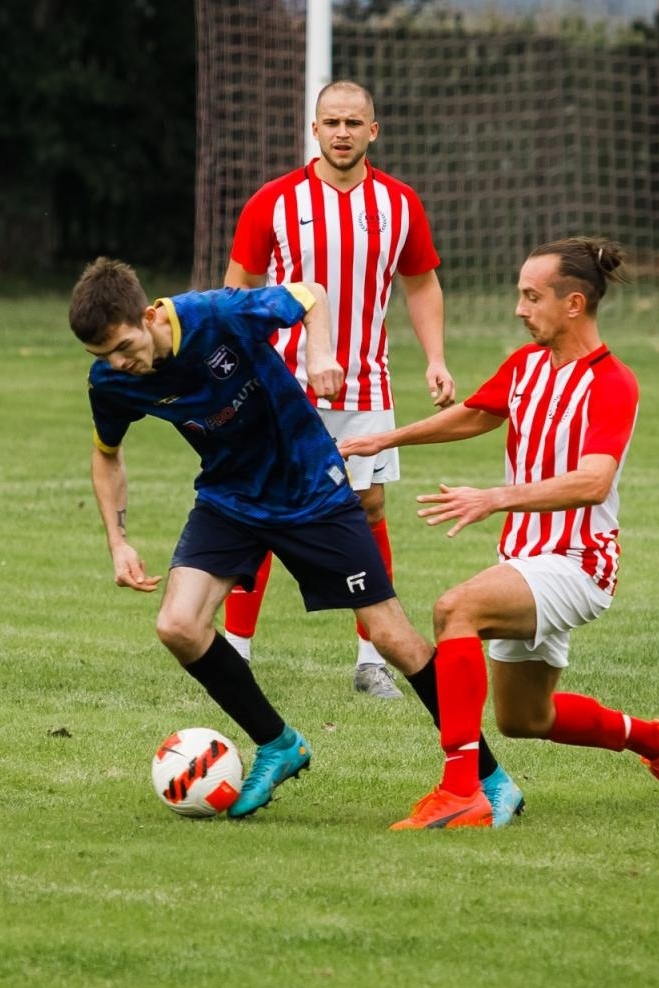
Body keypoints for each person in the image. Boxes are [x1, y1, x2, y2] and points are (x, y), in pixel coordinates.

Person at [71, 257, 520, 822]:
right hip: (230, 499)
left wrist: (321, 351)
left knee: (393, 638)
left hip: (311, 488)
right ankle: (279, 743)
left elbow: (308, 294)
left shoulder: (216, 314)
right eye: (102, 357)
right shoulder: (112, 381)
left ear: (146, 315)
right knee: (178, 626)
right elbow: (106, 455)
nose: (117, 364)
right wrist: (118, 541)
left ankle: (490, 777)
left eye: (122, 346)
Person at [338, 237, 659, 829]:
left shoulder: (612, 383)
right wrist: (389, 438)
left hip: (578, 562)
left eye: (532, 297)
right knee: (524, 718)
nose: (519, 309)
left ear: (574, 304)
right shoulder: (527, 364)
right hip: (526, 560)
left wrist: (495, 498)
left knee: (456, 610)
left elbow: (592, 483)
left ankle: (462, 792)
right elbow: (479, 412)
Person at [220, 80, 454, 701]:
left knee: (368, 510)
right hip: (280, 385)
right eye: (332, 122)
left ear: (373, 131)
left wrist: (435, 358)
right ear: (314, 129)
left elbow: (422, 284)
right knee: (259, 509)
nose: (343, 132)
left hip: (366, 385)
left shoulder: (401, 204)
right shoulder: (273, 202)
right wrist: (240, 366)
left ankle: (371, 660)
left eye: (354, 122)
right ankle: (236, 652)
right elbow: (237, 288)